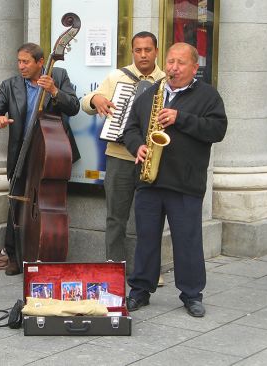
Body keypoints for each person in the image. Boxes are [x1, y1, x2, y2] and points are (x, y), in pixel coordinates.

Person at [123, 42, 227, 317]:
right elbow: (130, 127)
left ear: (195, 67)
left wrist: (180, 118)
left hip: (185, 183)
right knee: (146, 239)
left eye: (181, 63)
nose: (173, 68)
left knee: (188, 241)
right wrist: (138, 147)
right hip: (150, 181)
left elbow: (217, 129)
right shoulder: (151, 93)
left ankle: (192, 294)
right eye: (170, 62)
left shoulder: (208, 96)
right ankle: (140, 290)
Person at [0, 42, 80, 275]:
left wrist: (55, 91)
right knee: (15, 205)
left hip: (49, 155)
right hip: (21, 153)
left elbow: (74, 107)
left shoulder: (58, 75)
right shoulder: (10, 85)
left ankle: (43, 252)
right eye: (19, 61)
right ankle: (14, 257)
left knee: (46, 205)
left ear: (40, 62)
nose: (21, 66)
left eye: (26, 62)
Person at [82, 32, 166, 286]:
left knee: (150, 220)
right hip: (118, 156)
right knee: (115, 217)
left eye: (147, 50)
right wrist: (95, 99)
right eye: (138, 50)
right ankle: (113, 267)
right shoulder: (117, 77)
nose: (143, 55)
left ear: (156, 51)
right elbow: (86, 102)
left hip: (152, 158)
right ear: (132, 51)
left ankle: (150, 271)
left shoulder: (165, 80)